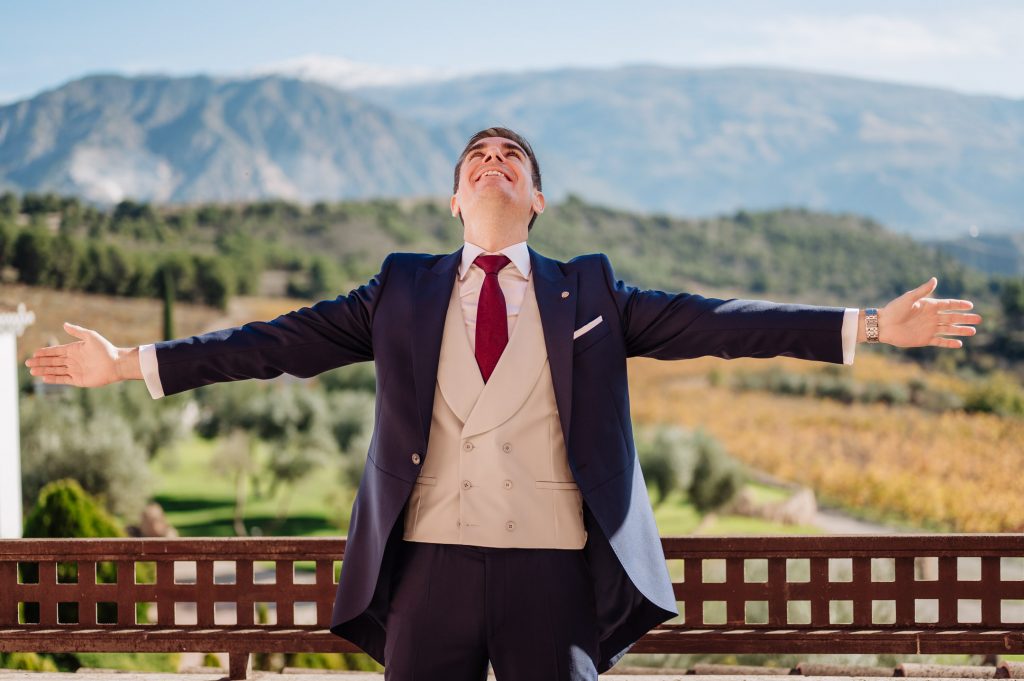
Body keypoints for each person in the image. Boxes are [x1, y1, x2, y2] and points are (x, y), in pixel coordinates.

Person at [26, 127, 981, 681]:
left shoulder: (594, 292)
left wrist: (864, 326)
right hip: (428, 566)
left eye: (511, 157)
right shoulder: (396, 288)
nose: (493, 159)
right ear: (452, 200)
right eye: (476, 156)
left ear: (535, 201)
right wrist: (131, 364)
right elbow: (273, 343)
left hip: (553, 570)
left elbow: (716, 320)